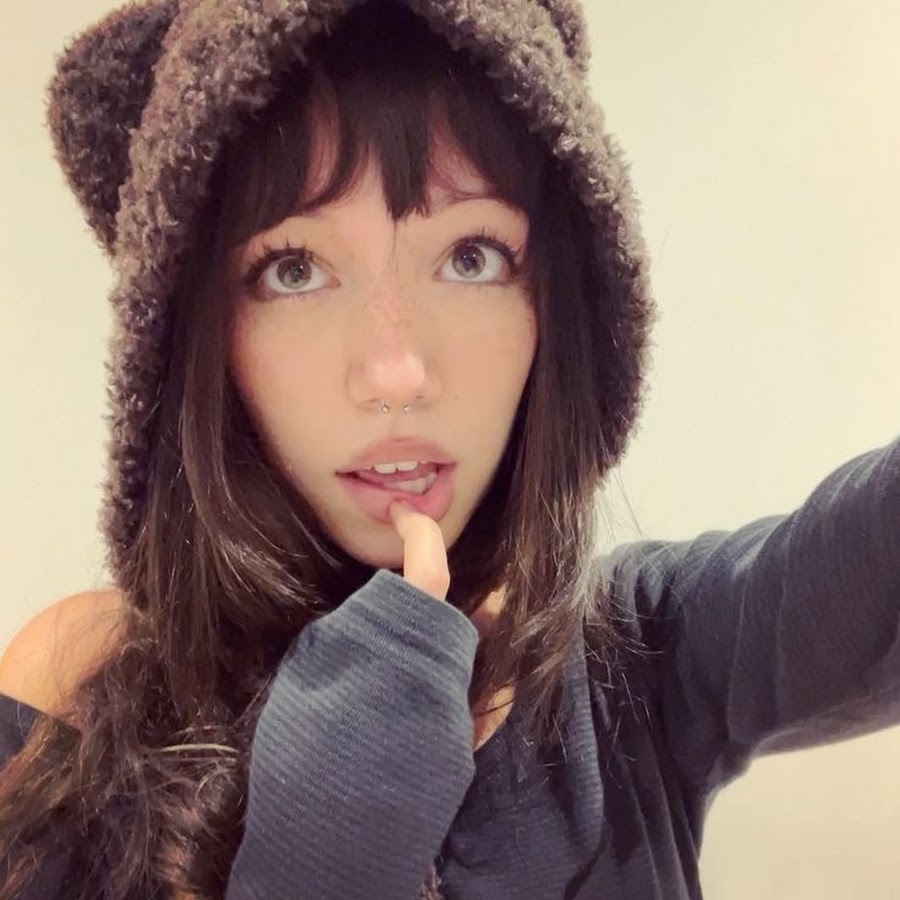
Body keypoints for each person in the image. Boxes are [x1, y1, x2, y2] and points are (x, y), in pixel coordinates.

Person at [0, 0, 897, 898]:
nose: (396, 372)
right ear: (194, 339)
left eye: (472, 257)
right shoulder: (74, 690)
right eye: (294, 270)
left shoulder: (642, 652)